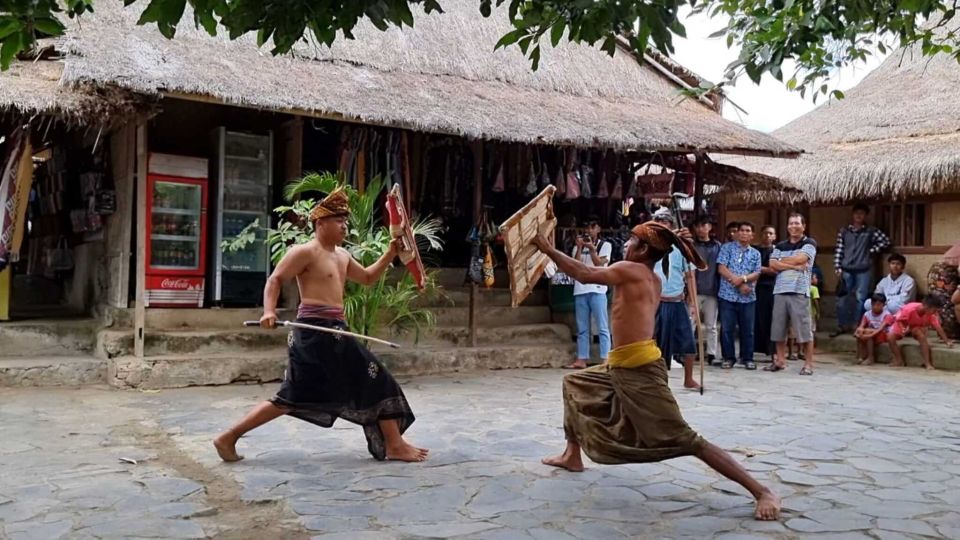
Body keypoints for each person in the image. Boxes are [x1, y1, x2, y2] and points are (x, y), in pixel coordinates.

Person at [531, 221, 781, 521]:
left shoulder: (631, 269)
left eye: (632, 240)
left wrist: (547, 249)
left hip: (640, 369)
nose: (626, 244)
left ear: (644, 249)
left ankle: (760, 490)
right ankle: (572, 455)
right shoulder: (652, 277)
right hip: (620, 364)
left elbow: (585, 273)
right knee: (574, 381)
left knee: (688, 440)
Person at [213, 187, 428, 463]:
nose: (344, 226)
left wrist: (389, 254)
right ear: (320, 223)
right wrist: (268, 311)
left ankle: (394, 442)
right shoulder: (304, 252)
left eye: (345, 221)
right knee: (292, 397)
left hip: (337, 331)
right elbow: (275, 280)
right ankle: (228, 437)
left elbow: (366, 278)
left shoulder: (343, 256)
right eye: (339, 220)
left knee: (375, 380)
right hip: (313, 334)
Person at [651, 208, 700, 389]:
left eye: (666, 224)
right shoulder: (649, 247)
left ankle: (688, 379)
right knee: (654, 343)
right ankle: (657, 380)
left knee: (688, 342)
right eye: (659, 223)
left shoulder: (681, 248)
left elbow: (690, 276)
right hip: (656, 301)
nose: (663, 226)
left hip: (677, 301)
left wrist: (693, 303)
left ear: (671, 227)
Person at [767, 213, 818, 376]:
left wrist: (784, 262)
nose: (793, 226)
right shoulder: (780, 245)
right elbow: (772, 264)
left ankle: (808, 364)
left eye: (797, 223)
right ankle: (780, 361)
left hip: (799, 290)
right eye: (791, 223)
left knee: (804, 328)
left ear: (803, 226)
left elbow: (802, 259)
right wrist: (794, 265)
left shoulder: (809, 243)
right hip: (780, 290)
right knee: (778, 328)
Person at [832, 204, 891, 337]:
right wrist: (837, 266)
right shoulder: (844, 231)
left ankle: (858, 325)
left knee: (861, 298)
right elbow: (839, 249)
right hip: (846, 269)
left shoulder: (870, 231)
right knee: (842, 299)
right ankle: (842, 325)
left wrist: (870, 251)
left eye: (862, 213)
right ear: (853, 215)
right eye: (856, 213)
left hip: (863, 269)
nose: (859, 216)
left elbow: (885, 241)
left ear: (865, 216)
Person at [568, 216, 613, 369]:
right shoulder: (578, 246)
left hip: (598, 289)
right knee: (582, 328)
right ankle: (582, 358)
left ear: (598, 229)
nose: (589, 231)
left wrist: (592, 250)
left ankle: (606, 358)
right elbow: (575, 266)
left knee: (602, 327)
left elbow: (599, 264)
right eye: (587, 227)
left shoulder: (605, 245)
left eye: (593, 227)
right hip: (580, 290)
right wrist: (580, 247)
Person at [716, 222, 761, 370]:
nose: (744, 233)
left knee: (748, 329)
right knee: (727, 328)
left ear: (752, 235)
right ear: (736, 233)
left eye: (748, 231)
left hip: (748, 296)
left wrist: (744, 280)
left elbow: (757, 272)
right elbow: (721, 267)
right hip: (727, 295)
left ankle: (747, 358)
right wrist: (736, 281)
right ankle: (728, 358)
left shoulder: (755, 253)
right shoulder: (726, 248)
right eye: (741, 230)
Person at [888, 295, 955, 370]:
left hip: (916, 327)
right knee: (890, 337)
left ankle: (927, 363)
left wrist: (947, 341)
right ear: (927, 307)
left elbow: (938, 328)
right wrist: (903, 329)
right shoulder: (909, 309)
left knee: (921, 337)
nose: (935, 312)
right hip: (903, 323)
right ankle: (899, 360)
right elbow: (899, 320)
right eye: (934, 310)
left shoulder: (931, 315)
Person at [692, 216, 721, 365]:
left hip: (712, 290)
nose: (700, 229)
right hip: (694, 289)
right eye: (697, 226)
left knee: (711, 325)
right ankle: (688, 352)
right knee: (691, 323)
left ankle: (711, 354)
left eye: (704, 225)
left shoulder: (717, 246)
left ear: (710, 227)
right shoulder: (691, 245)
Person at [754, 225, 778, 362]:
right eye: (765, 233)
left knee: (772, 320)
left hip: (772, 288)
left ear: (774, 236)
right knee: (757, 320)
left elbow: (775, 270)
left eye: (770, 233)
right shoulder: (755, 250)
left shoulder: (777, 251)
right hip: (757, 288)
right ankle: (756, 349)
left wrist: (759, 269)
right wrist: (764, 269)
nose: (768, 236)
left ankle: (772, 351)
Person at [854, 294, 894, 366]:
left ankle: (870, 357)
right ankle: (860, 356)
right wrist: (858, 332)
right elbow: (861, 326)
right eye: (873, 304)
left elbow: (880, 329)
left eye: (878, 305)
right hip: (871, 335)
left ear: (883, 305)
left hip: (882, 334)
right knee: (861, 331)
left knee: (867, 331)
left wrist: (868, 335)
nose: (875, 307)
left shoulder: (887, 315)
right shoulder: (867, 314)